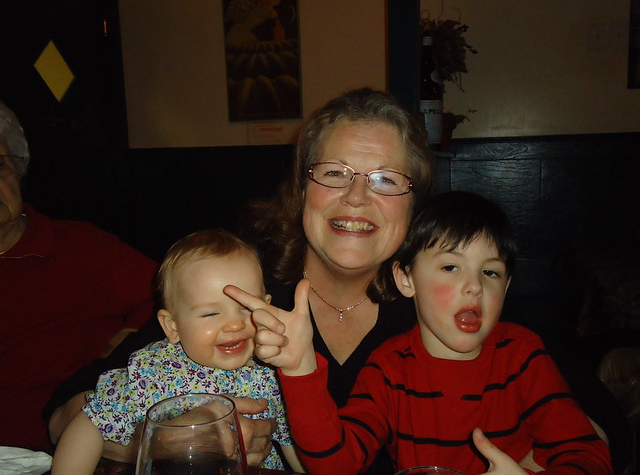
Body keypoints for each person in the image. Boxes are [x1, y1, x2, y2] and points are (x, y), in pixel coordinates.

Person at [47, 87, 434, 473]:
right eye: (335, 173)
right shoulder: (233, 285)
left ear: (413, 204)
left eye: (386, 179)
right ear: (301, 190)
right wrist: (166, 441)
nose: (356, 197)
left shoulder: (437, 307)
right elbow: (63, 416)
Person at [247, 191, 613, 475]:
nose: (474, 287)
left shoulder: (522, 354)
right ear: (406, 278)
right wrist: (300, 368)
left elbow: (589, 456)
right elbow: (335, 465)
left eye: (490, 272)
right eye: (451, 267)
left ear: (506, 286)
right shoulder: (388, 368)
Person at [51, 228, 303, 474]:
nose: (235, 324)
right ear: (172, 326)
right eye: (211, 313)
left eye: (247, 308)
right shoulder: (153, 372)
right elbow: (91, 423)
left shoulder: (271, 378)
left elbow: (296, 446)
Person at [0, 100, 158, 450]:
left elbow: (176, 293)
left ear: (18, 168)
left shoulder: (80, 247)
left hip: (72, 447)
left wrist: (133, 334)